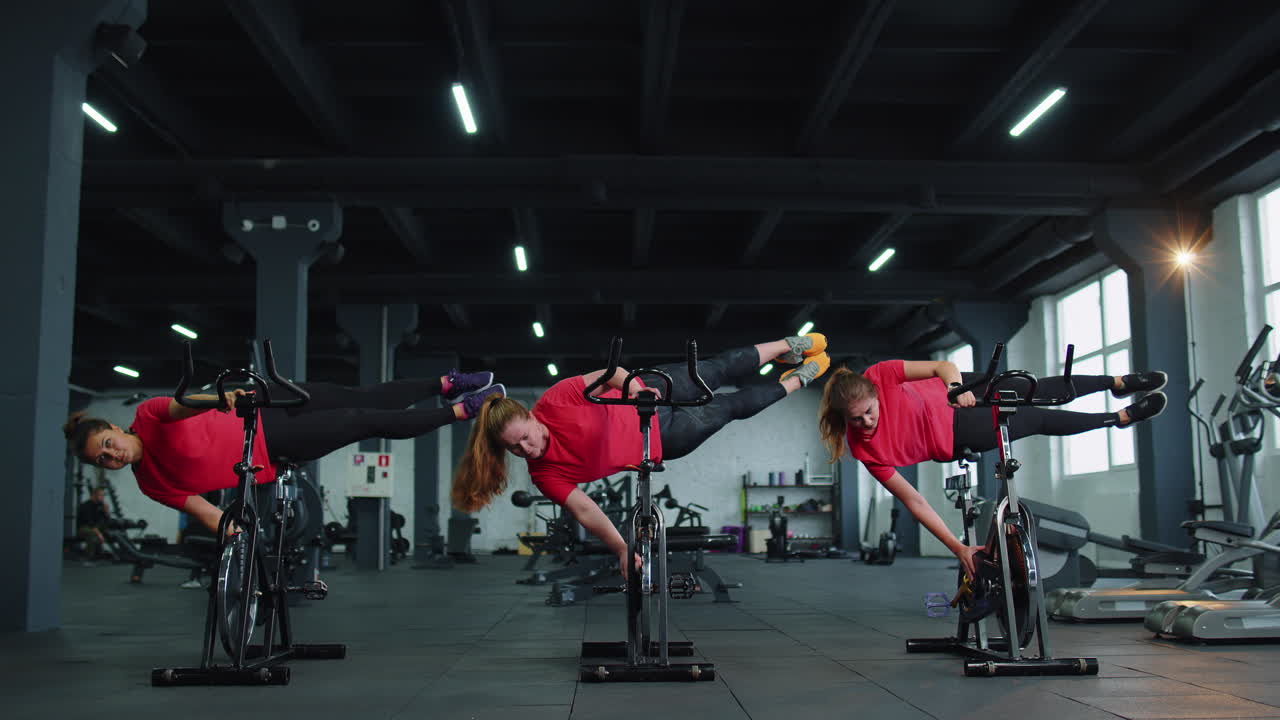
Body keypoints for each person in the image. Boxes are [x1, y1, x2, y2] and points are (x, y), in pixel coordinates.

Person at [452, 335, 832, 575]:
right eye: (514, 448)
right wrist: (620, 548)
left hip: (649, 392)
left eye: (525, 437)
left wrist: (633, 387)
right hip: (663, 439)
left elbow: (610, 371)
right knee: (732, 408)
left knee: (714, 370)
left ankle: (787, 346)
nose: (526, 449)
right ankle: (797, 380)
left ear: (533, 417)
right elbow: (585, 510)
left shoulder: (556, 398)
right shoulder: (544, 474)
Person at [816, 358, 1169, 580]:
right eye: (855, 418)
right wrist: (958, 548)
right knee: (1035, 416)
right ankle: (1117, 418)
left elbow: (942, 366)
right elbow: (915, 502)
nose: (865, 421)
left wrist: (955, 388)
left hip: (954, 391)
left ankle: (1118, 383)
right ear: (843, 418)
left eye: (869, 411)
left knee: (1036, 388)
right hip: (954, 434)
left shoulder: (881, 374)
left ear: (876, 395)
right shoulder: (866, 449)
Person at [64, 370, 504, 534]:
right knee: (361, 419)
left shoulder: (148, 414)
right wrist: (235, 536)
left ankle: (443, 384)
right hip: (273, 448)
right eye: (102, 459)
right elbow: (207, 513)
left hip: (265, 403)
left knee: (358, 393)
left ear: (116, 429)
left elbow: (182, 405)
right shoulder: (152, 484)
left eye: (108, 444)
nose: (111, 456)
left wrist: (220, 398)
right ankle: (462, 412)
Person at [76, 486, 111, 563]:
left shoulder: (100, 505)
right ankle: (89, 557)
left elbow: (106, 520)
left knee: (107, 532)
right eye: (100, 495)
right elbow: (90, 523)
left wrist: (106, 512)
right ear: (94, 495)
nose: (102, 497)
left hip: (95, 528)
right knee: (92, 534)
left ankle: (99, 554)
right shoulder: (86, 506)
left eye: (103, 495)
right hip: (83, 528)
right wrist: (99, 534)